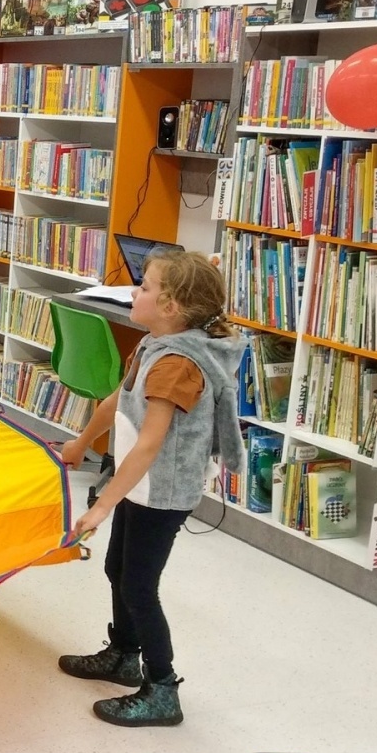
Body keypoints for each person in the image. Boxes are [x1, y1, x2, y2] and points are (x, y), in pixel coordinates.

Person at [57, 251, 246, 727]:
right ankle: (124, 654)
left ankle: (162, 688)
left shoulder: (177, 364)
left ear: (171, 306)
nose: (134, 291)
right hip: (138, 485)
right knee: (117, 567)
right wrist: (81, 443)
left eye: (144, 286)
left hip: (160, 491)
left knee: (140, 586)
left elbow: (149, 444)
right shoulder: (154, 344)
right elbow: (117, 400)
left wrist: (102, 505)